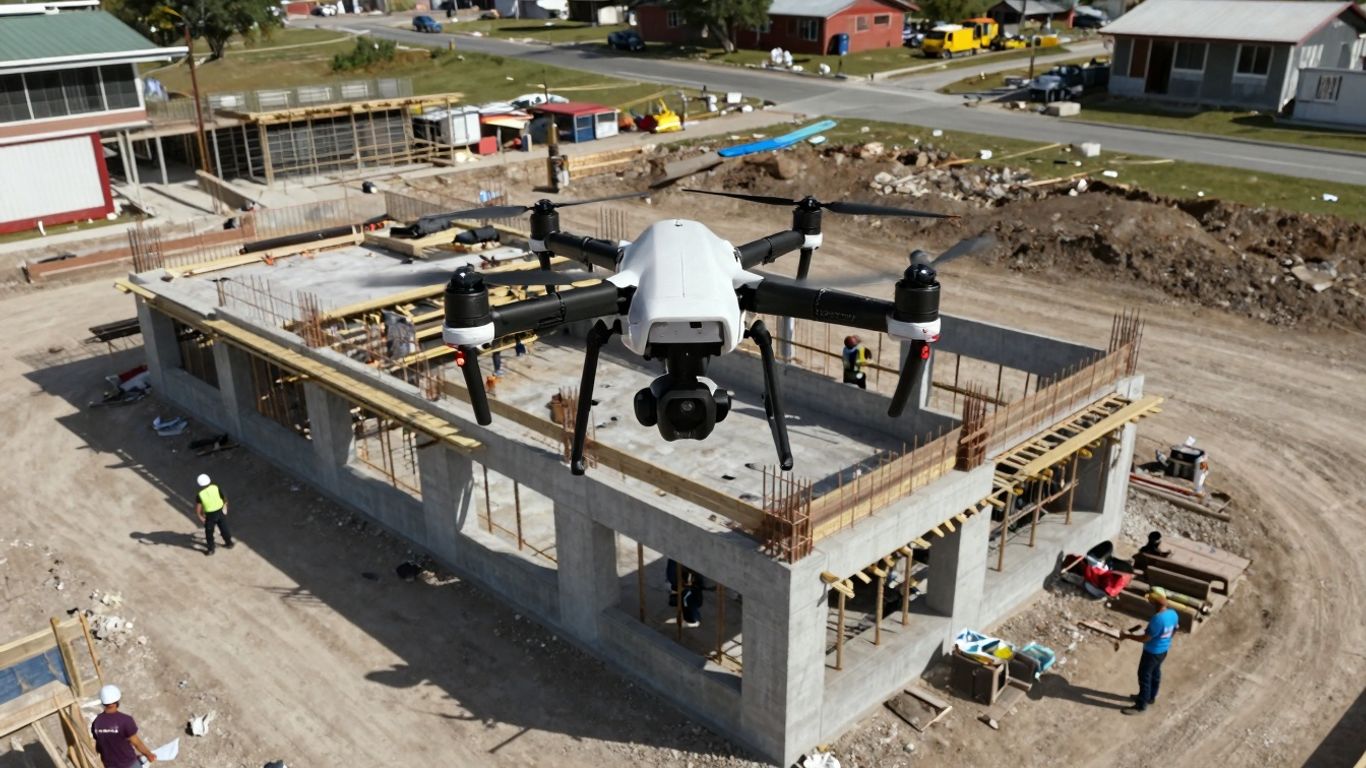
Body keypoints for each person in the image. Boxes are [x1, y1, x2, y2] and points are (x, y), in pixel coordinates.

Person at [1122, 588, 1178, 715]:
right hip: (1163, 651)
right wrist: (1166, 640)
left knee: (1144, 676)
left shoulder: (1157, 619)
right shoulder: (1173, 614)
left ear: (1155, 603)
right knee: (1155, 673)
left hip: (1151, 653)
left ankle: (1141, 705)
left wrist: (1127, 636)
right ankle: (1150, 697)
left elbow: (1145, 638)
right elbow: (1175, 628)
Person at [91, 685, 157, 768]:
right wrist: (148, 754)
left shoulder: (96, 722)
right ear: (117, 700)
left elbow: (100, 747)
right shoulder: (125, 720)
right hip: (129, 764)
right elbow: (137, 743)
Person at [195, 474, 234, 556]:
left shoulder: (200, 495)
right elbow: (224, 498)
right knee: (224, 528)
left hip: (210, 515)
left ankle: (211, 549)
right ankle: (229, 543)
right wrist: (225, 507)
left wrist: (200, 516)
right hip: (220, 512)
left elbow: (198, 507)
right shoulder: (215, 487)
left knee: (209, 532)